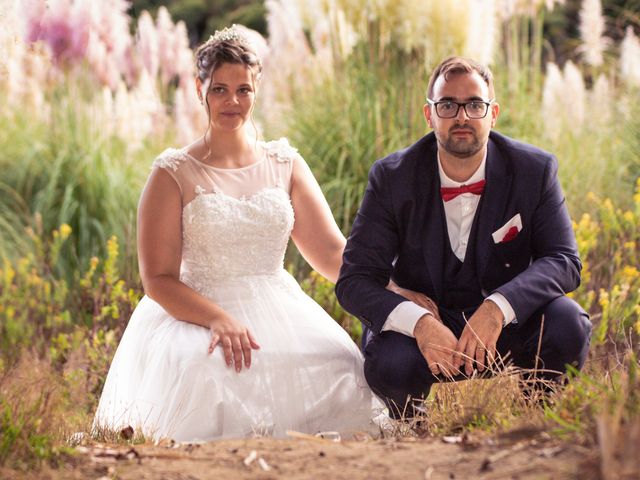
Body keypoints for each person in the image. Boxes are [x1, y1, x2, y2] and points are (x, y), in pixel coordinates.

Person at [93, 25, 381, 441]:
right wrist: (218, 319)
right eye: (220, 89)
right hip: (195, 310)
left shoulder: (285, 163)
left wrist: (391, 295)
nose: (232, 101)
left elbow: (334, 254)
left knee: (339, 362)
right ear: (198, 88)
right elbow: (157, 279)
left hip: (278, 304)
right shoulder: (172, 173)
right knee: (206, 371)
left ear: (256, 89)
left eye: (243, 90)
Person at [335, 56, 592, 417]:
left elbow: (564, 261)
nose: (462, 116)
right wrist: (419, 324)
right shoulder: (393, 177)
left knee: (568, 325)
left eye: (475, 104)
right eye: (447, 105)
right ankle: (412, 428)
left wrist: (499, 308)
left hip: (504, 328)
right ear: (430, 115)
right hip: (427, 329)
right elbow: (354, 280)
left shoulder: (534, 170)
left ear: (493, 113)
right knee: (389, 362)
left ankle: (535, 413)